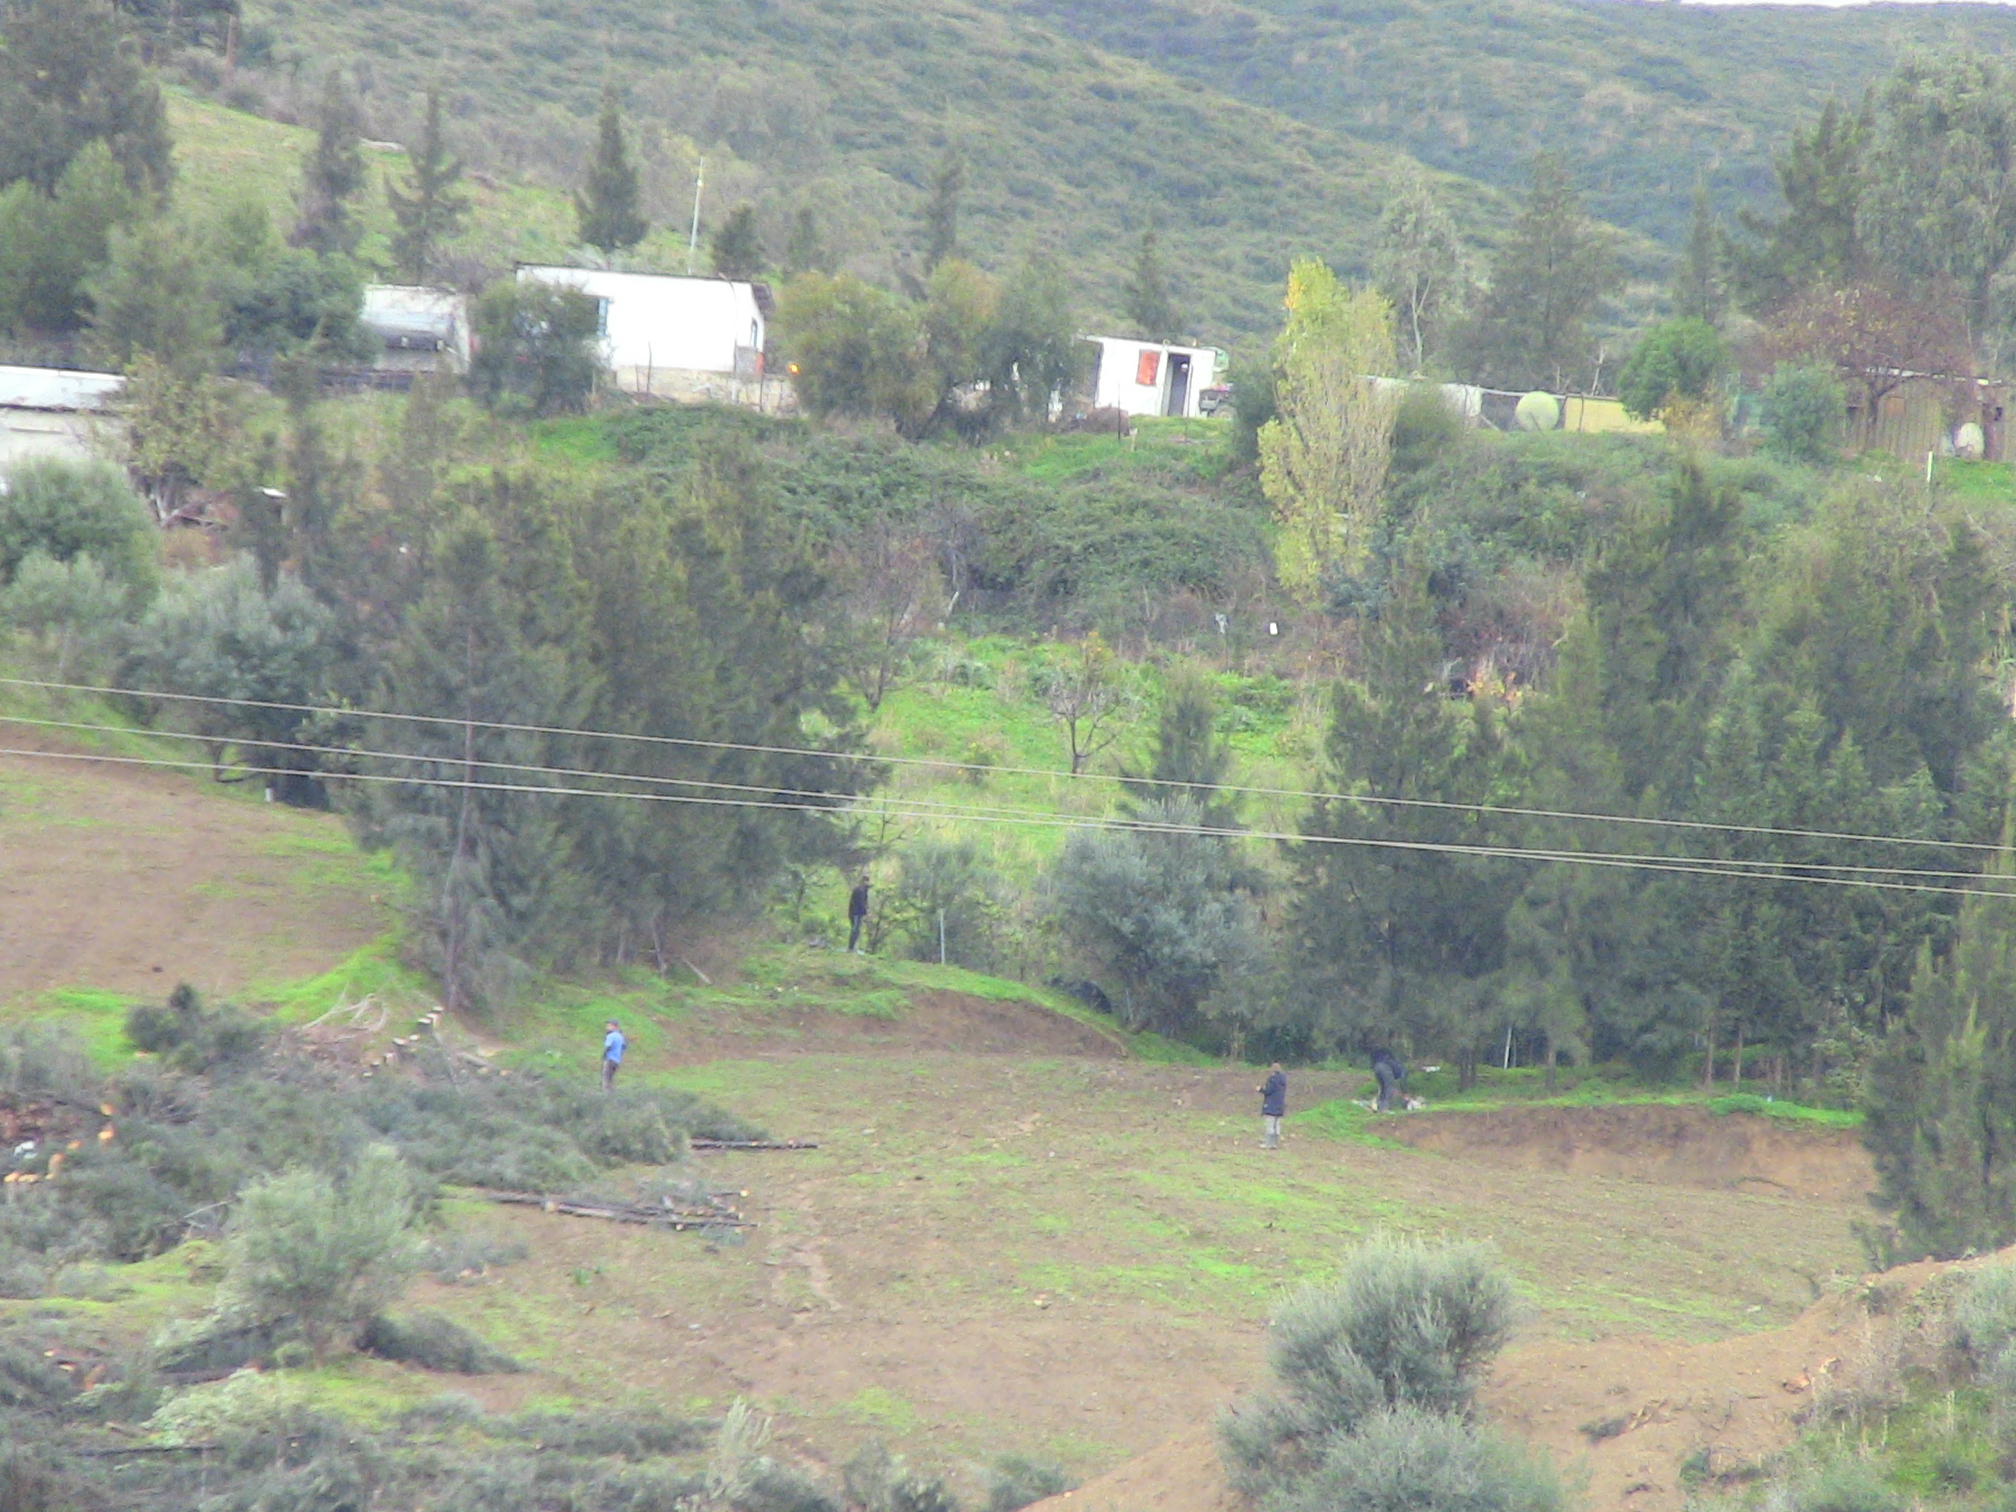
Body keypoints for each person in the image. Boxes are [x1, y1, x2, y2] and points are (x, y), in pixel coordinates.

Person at [1258, 1062, 1287, 1149]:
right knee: (1277, 1125)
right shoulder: (1283, 1080)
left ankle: (1267, 1144)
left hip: (1271, 1105)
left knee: (1270, 1124)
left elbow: (1268, 1091)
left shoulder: (1272, 1079)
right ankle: (1274, 1144)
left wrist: (1260, 1089)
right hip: (1280, 1106)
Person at [1371, 1047, 1406, 1113]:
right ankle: (1384, 1109)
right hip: (1385, 1069)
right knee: (1389, 1088)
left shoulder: (1393, 1063)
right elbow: (1401, 1082)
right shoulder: (1402, 1070)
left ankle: (1378, 1106)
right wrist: (1404, 1092)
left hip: (1377, 1067)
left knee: (1382, 1088)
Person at [847, 873, 871, 953]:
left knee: (856, 930)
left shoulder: (863, 890)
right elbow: (861, 903)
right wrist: (866, 912)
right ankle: (851, 947)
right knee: (855, 930)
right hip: (855, 913)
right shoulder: (860, 890)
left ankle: (852, 947)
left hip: (856, 913)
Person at [601, 1019, 626, 1093]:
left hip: (610, 1059)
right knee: (611, 1078)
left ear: (614, 1026)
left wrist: (604, 1055)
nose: (607, 1027)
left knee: (606, 1078)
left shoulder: (611, 1036)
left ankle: (606, 1095)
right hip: (617, 1060)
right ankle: (612, 1094)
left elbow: (608, 1046)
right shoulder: (620, 1037)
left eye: (609, 1025)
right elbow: (624, 1047)